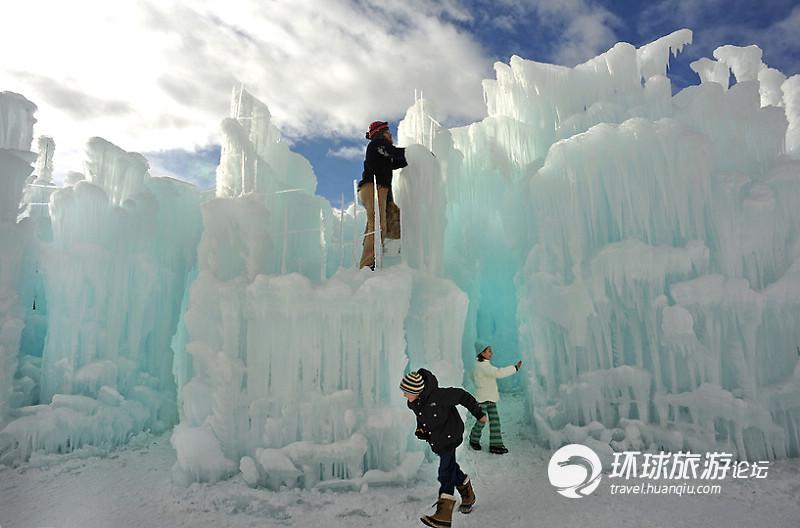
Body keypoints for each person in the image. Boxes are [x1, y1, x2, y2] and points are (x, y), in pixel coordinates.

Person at [401, 369, 487, 527]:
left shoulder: (440, 396)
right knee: (451, 467)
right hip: (438, 439)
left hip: (451, 434)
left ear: (416, 390)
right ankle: (468, 493)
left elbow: (463, 396)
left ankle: (444, 514)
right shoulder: (414, 402)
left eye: (406, 392)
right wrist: (422, 428)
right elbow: (422, 415)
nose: (404, 395)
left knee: (445, 472)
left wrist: (479, 414)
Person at [358, 121, 407, 269]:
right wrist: (414, 152)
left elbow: (397, 161)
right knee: (378, 225)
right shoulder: (377, 144)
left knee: (394, 220)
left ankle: (389, 254)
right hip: (373, 187)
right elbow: (394, 153)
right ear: (381, 133)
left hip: (380, 190)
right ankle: (368, 265)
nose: (390, 134)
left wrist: (416, 158)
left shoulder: (382, 153)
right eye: (388, 131)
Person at [468, 341, 522, 454]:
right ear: (482, 353)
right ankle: (473, 439)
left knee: (495, 421)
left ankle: (495, 445)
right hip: (483, 399)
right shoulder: (482, 366)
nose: (491, 353)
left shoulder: (480, 364)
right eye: (489, 351)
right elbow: (498, 373)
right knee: (481, 421)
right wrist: (515, 368)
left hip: (490, 398)